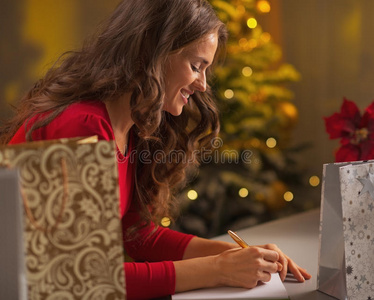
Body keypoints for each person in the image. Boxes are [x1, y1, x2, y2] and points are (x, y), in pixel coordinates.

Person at [1, 0, 311, 299]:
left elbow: (137, 234)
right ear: (154, 53)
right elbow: (83, 279)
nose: (203, 84)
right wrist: (219, 269)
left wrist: (235, 254)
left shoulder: (130, 123)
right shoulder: (82, 126)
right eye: (196, 66)